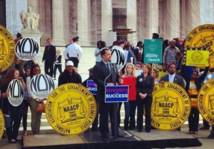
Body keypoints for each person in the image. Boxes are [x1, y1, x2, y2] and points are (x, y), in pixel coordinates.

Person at [93, 48, 120, 141]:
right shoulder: (97, 66)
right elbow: (95, 79)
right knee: (104, 115)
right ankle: (104, 134)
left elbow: (116, 77)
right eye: (108, 54)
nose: (110, 56)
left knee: (114, 114)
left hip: (113, 94)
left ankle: (114, 132)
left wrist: (119, 81)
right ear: (103, 55)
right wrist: (105, 85)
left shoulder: (113, 66)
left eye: (110, 54)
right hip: (103, 94)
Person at [0, 68, 25, 143]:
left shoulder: (19, 82)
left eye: (18, 74)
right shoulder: (4, 82)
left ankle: (14, 136)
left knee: (17, 122)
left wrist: (22, 80)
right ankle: (10, 137)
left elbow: (24, 90)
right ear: (12, 74)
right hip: (8, 106)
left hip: (18, 105)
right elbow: (1, 94)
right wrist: (4, 95)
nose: (18, 75)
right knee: (8, 123)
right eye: (16, 73)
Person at [136, 64, 154, 132]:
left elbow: (151, 88)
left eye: (146, 68)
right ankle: (139, 128)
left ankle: (147, 128)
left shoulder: (151, 78)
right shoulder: (138, 77)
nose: (145, 69)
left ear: (148, 69)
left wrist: (146, 94)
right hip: (139, 96)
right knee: (139, 112)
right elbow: (137, 87)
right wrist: (140, 93)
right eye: (143, 67)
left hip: (148, 97)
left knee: (148, 112)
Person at [120, 63, 136, 130]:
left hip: (134, 97)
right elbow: (121, 87)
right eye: (128, 68)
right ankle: (126, 126)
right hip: (127, 97)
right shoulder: (123, 77)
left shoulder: (135, 77)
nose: (129, 69)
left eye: (131, 68)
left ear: (133, 69)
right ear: (126, 69)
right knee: (127, 113)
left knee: (133, 113)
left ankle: (132, 126)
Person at [28, 64, 42, 134]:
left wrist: (41, 99)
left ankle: (38, 132)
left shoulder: (41, 78)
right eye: (36, 70)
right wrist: (35, 98)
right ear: (33, 71)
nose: (37, 71)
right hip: (33, 100)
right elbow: (29, 91)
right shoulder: (29, 78)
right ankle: (34, 132)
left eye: (38, 70)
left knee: (39, 118)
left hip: (40, 100)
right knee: (34, 117)